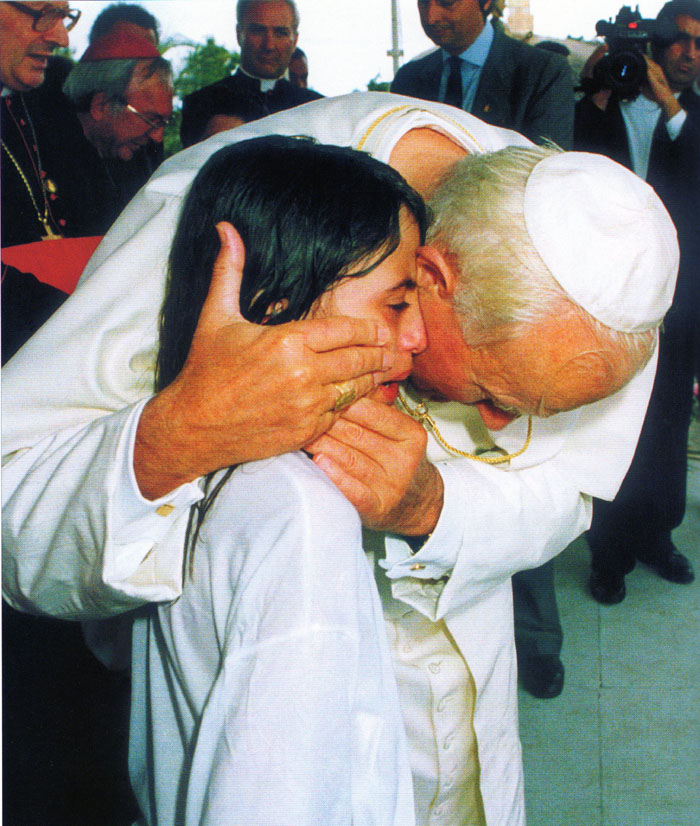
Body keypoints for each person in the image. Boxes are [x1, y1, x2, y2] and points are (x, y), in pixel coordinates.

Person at [2, 93, 678, 826]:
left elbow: (568, 496)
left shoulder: (600, 253)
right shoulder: (228, 206)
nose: (498, 427)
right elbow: (15, 512)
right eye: (492, 395)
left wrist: (433, 508)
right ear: (429, 278)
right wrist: (183, 431)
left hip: (469, 702)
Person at [131, 133, 426, 826]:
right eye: (395, 305)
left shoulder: (196, 464)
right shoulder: (303, 520)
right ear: (275, 302)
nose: (417, 337)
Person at [391, 0, 575, 698]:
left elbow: (540, 180)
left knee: (514, 469)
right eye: (423, 1)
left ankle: (538, 640)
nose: (433, 12)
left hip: (506, 308)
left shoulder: (539, 71)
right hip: (425, 297)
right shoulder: (409, 78)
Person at [575, 0, 699, 604]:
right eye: (680, 41)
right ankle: (610, 553)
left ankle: (657, 537)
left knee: (668, 423)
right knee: (611, 422)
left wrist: (672, 107)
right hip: (611, 292)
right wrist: (593, 93)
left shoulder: (691, 117)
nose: (691, 54)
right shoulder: (602, 103)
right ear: (655, 43)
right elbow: (568, 167)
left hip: (678, 298)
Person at [391, 0, 573, 148]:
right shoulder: (407, 79)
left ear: (485, 2)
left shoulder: (543, 72)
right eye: (423, 2)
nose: (431, 17)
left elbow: (546, 168)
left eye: (447, 3)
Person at [180, 0, 321, 148]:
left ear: (295, 41)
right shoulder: (201, 104)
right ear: (239, 34)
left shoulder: (316, 106)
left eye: (281, 33)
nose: (269, 45)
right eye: (258, 31)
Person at [63, 29, 173, 210]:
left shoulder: (137, 165)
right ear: (100, 105)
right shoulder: (50, 155)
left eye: (163, 122)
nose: (157, 137)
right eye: (151, 120)